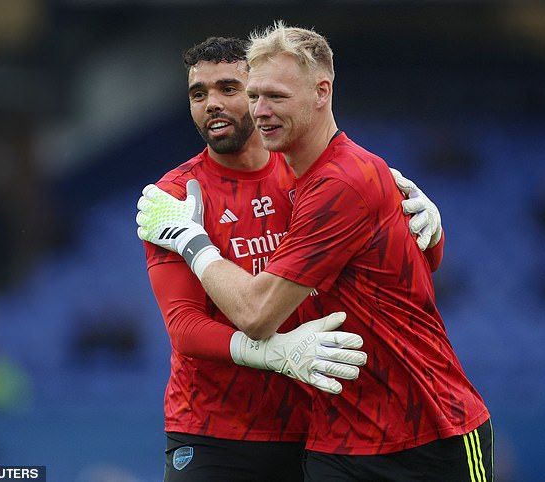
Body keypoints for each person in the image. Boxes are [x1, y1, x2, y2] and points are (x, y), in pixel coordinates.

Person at [141, 35, 445, 482]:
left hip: (317, 424)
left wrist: (434, 232)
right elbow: (183, 327)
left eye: (230, 89)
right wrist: (273, 352)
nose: (212, 105)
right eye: (198, 94)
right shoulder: (175, 198)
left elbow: (404, 265)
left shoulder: (313, 174)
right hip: (214, 429)